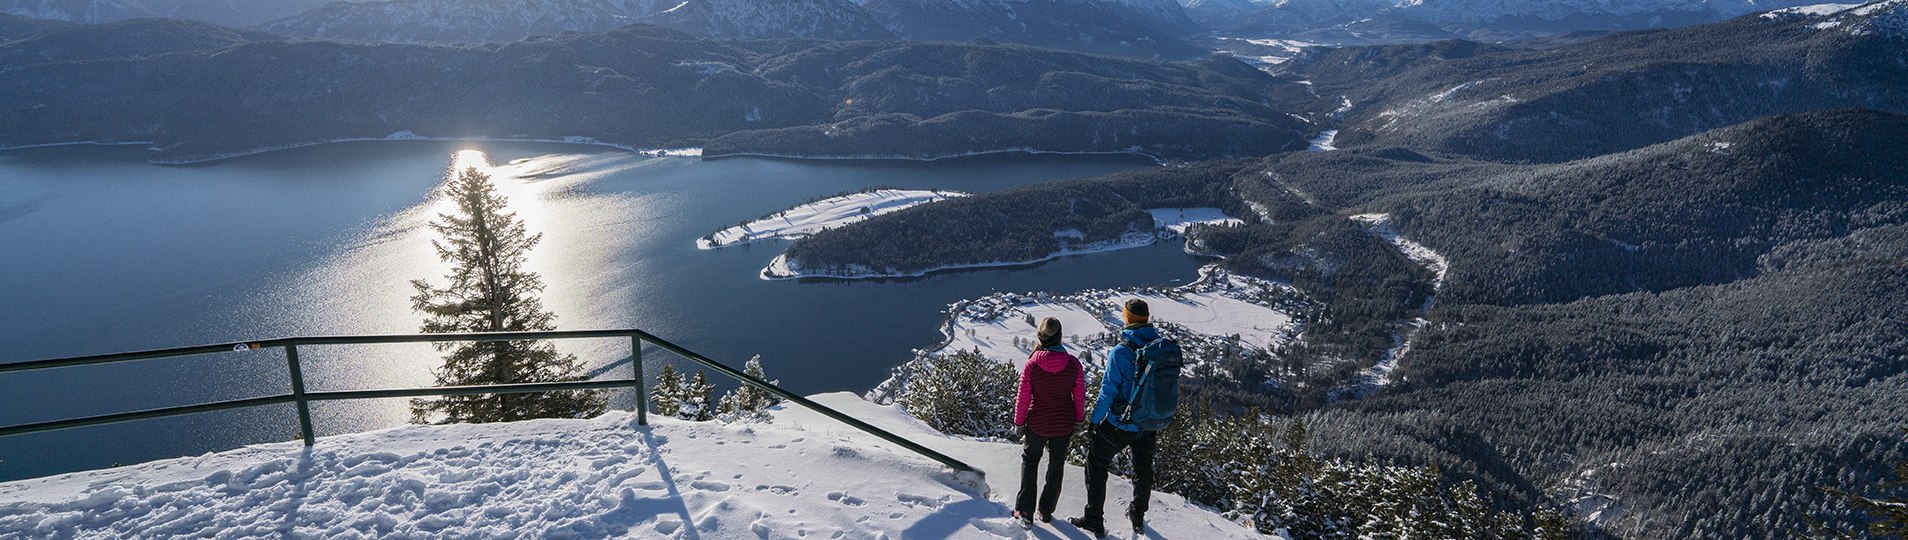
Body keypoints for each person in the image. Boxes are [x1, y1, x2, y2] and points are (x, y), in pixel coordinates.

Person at [1070, 299, 1160, 537]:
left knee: (1096, 461)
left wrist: (1094, 420)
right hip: (1149, 421)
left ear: (1127, 318)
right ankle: (1137, 515)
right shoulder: (1160, 347)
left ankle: (1093, 519)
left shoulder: (1122, 352)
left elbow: (1108, 391)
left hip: (1122, 422)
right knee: (1143, 468)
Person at [1011, 317, 1086, 528]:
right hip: (1064, 424)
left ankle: (1025, 510)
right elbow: (1079, 396)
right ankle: (1045, 510)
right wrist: (1079, 420)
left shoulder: (1032, 364)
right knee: (1056, 465)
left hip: (1038, 423)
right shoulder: (1073, 364)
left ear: (1040, 337)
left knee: (1030, 461)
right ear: (1060, 337)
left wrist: (1019, 422)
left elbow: (1023, 397)